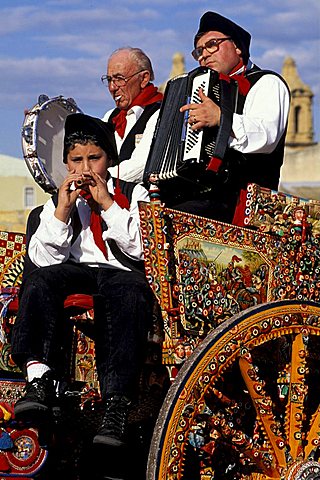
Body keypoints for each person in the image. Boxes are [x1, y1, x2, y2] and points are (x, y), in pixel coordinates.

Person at [11, 113, 154, 454]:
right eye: (77, 160)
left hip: (121, 271)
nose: (86, 168)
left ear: (109, 160)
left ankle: (117, 403)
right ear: (66, 164)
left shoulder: (134, 194)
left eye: (95, 158)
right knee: (41, 281)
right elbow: (42, 260)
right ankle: (39, 378)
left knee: (130, 293)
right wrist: (62, 211)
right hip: (79, 270)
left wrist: (107, 203)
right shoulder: (59, 200)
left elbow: (142, 248)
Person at [176, 11, 290, 223]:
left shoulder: (267, 82)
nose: (204, 55)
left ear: (237, 47)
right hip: (203, 198)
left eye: (212, 44)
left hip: (244, 204)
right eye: (199, 51)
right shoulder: (201, 91)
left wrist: (221, 118)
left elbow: (266, 137)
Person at [102, 47, 163, 183]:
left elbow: (141, 166)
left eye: (119, 79)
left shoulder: (160, 114)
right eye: (109, 79)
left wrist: (97, 179)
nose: (112, 87)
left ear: (143, 78)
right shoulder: (109, 117)